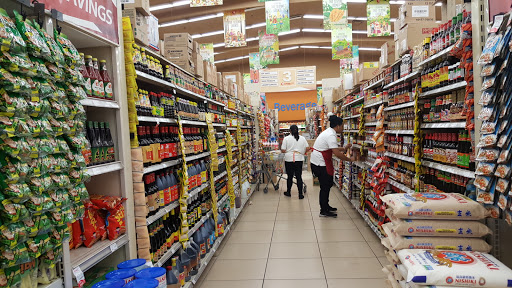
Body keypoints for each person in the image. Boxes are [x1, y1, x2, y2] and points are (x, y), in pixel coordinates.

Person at [311, 115, 354, 218]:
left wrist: (343, 148)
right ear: (338, 126)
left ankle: (326, 206)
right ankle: (323, 211)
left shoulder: (329, 132)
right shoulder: (331, 135)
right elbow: (336, 153)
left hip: (318, 161)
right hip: (320, 163)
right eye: (342, 125)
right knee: (325, 186)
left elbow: (332, 148)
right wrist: (349, 159)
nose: (343, 128)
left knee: (327, 185)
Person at [281, 125, 309, 199]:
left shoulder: (286, 139)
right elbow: (307, 148)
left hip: (289, 159)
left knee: (289, 177)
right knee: (299, 176)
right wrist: (302, 152)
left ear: (290, 131)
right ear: (298, 130)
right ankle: (300, 194)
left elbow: (283, 150)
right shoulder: (302, 138)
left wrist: (289, 151)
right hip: (299, 159)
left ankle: (288, 192)